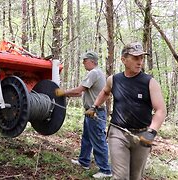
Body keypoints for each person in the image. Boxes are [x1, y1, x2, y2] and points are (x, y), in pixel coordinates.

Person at [86, 42, 167, 179]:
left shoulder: (149, 82)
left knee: (135, 177)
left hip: (142, 135)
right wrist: (94, 107)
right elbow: (105, 92)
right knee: (121, 177)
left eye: (141, 58)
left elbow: (161, 110)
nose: (140, 62)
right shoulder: (114, 80)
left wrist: (151, 133)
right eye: (135, 58)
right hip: (118, 133)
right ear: (124, 60)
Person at [55, 51, 112, 179]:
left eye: (85, 60)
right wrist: (66, 94)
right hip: (90, 112)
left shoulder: (94, 73)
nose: (83, 63)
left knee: (98, 140)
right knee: (86, 138)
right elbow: (80, 93)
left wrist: (63, 92)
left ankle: (105, 170)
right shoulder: (97, 73)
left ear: (91, 61)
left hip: (95, 112)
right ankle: (84, 161)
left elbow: (79, 90)